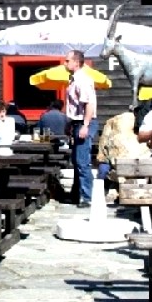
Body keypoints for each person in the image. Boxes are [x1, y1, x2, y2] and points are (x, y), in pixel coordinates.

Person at [64, 50, 98, 209]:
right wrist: (70, 124)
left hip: (84, 122)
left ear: (76, 62)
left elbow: (89, 104)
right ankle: (77, 194)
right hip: (77, 122)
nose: (65, 63)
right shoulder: (74, 79)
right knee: (77, 160)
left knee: (82, 161)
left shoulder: (82, 80)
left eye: (67, 60)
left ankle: (87, 197)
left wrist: (85, 125)